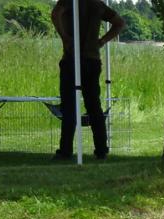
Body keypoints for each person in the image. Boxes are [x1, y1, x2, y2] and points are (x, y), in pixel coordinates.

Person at [51, 0, 124, 160]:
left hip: (72, 58)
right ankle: (101, 150)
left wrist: (65, 38)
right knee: (94, 106)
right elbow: (119, 23)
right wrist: (102, 41)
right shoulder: (97, 4)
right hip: (92, 59)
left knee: (69, 106)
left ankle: (65, 151)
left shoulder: (69, 1)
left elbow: (55, 14)